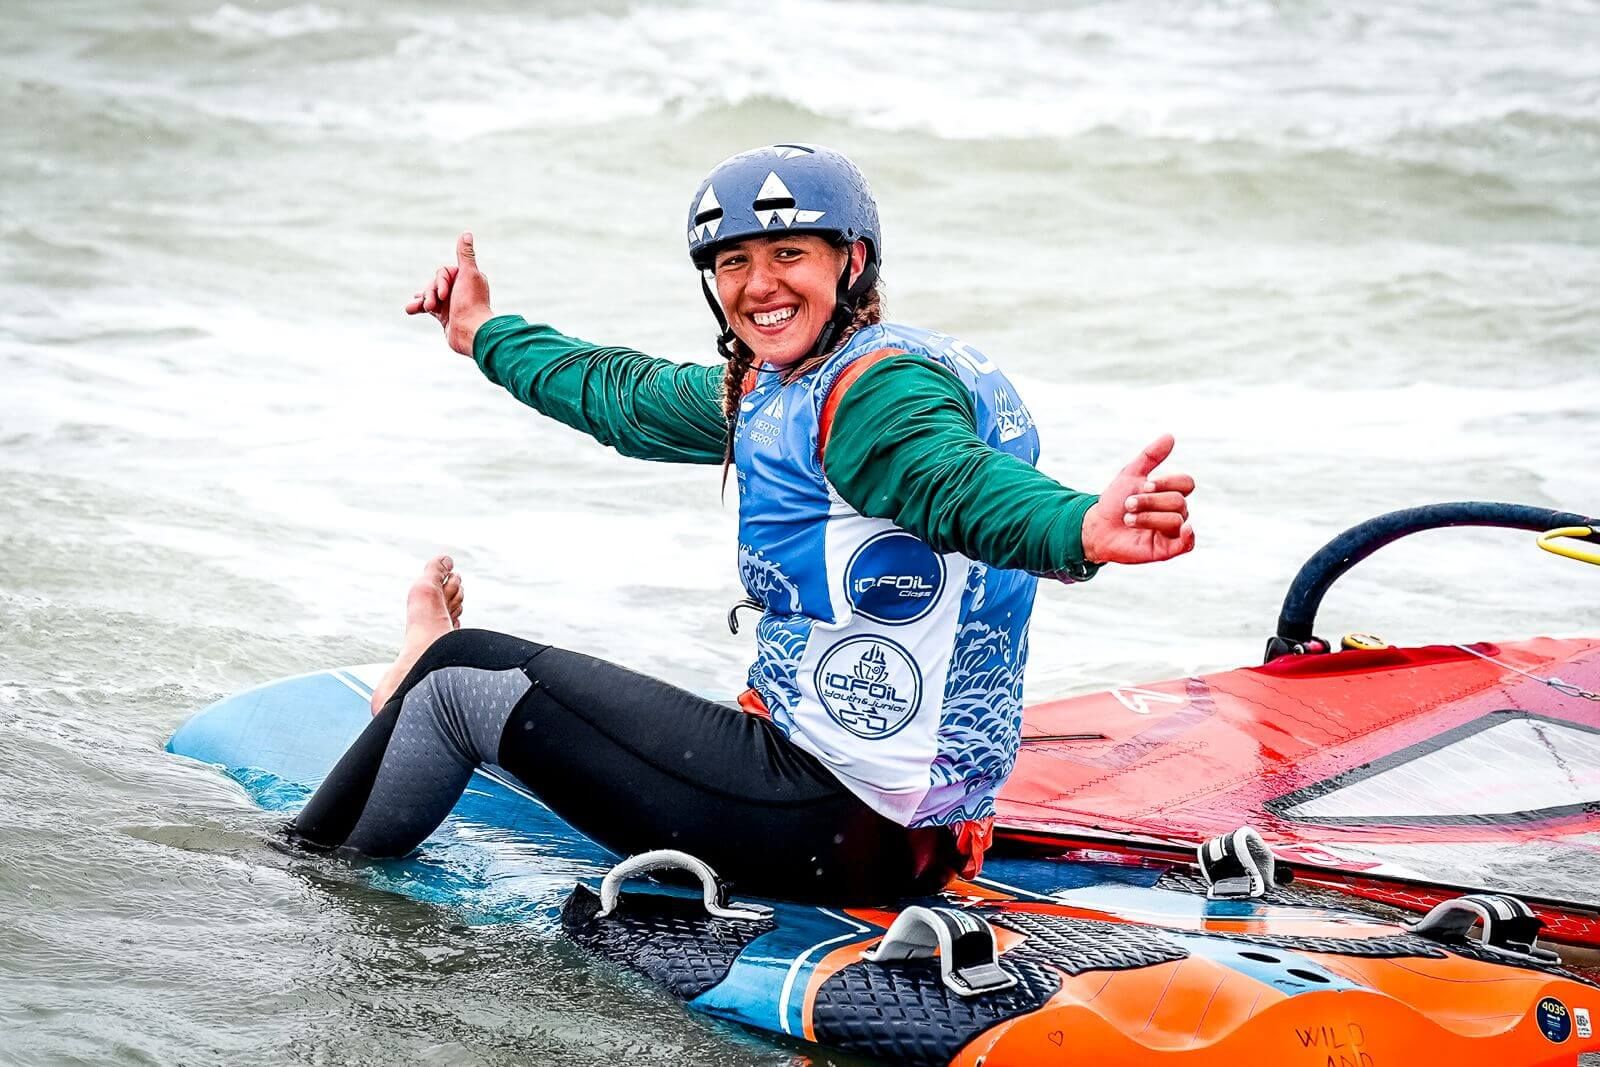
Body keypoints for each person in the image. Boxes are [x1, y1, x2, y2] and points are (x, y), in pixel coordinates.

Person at [290, 145, 1195, 904]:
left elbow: (950, 484)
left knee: (463, 676)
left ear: (851, 260)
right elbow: (627, 397)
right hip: (916, 820)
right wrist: (483, 332)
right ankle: (412, 688)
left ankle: (296, 871)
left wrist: (1077, 528)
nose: (759, 285)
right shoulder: (806, 377)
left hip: (831, 821)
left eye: (788, 255)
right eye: (733, 263)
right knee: (525, 694)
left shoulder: (874, 395)